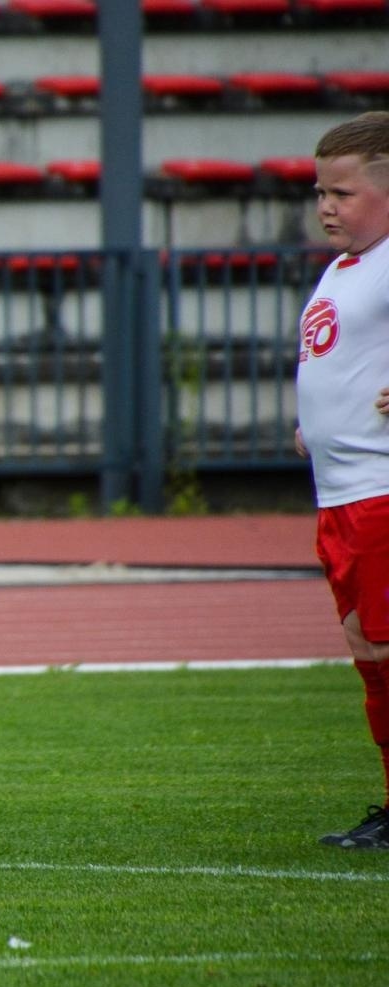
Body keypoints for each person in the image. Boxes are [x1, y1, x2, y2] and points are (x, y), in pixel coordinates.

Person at [295, 110, 389, 850]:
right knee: (369, 653)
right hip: (341, 494)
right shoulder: (345, 266)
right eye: (320, 192)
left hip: (381, 496)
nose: (327, 206)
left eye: (344, 193)